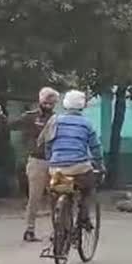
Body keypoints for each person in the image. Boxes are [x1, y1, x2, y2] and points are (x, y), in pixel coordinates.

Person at [0, 87, 60, 242]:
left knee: (56, 198)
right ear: (40, 101)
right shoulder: (30, 117)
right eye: (46, 101)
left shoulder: (58, 119)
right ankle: (29, 230)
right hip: (36, 161)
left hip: (55, 162)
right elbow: (10, 125)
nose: (48, 105)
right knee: (34, 198)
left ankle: (57, 231)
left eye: (51, 102)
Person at [39, 90, 104, 238]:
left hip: (57, 168)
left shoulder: (54, 120)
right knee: (88, 187)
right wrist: (100, 165)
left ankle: (57, 229)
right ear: (82, 106)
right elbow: (95, 147)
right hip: (79, 167)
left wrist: (51, 161)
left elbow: (47, 144)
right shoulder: (86, 124)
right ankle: (84, 216)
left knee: (55, 194)